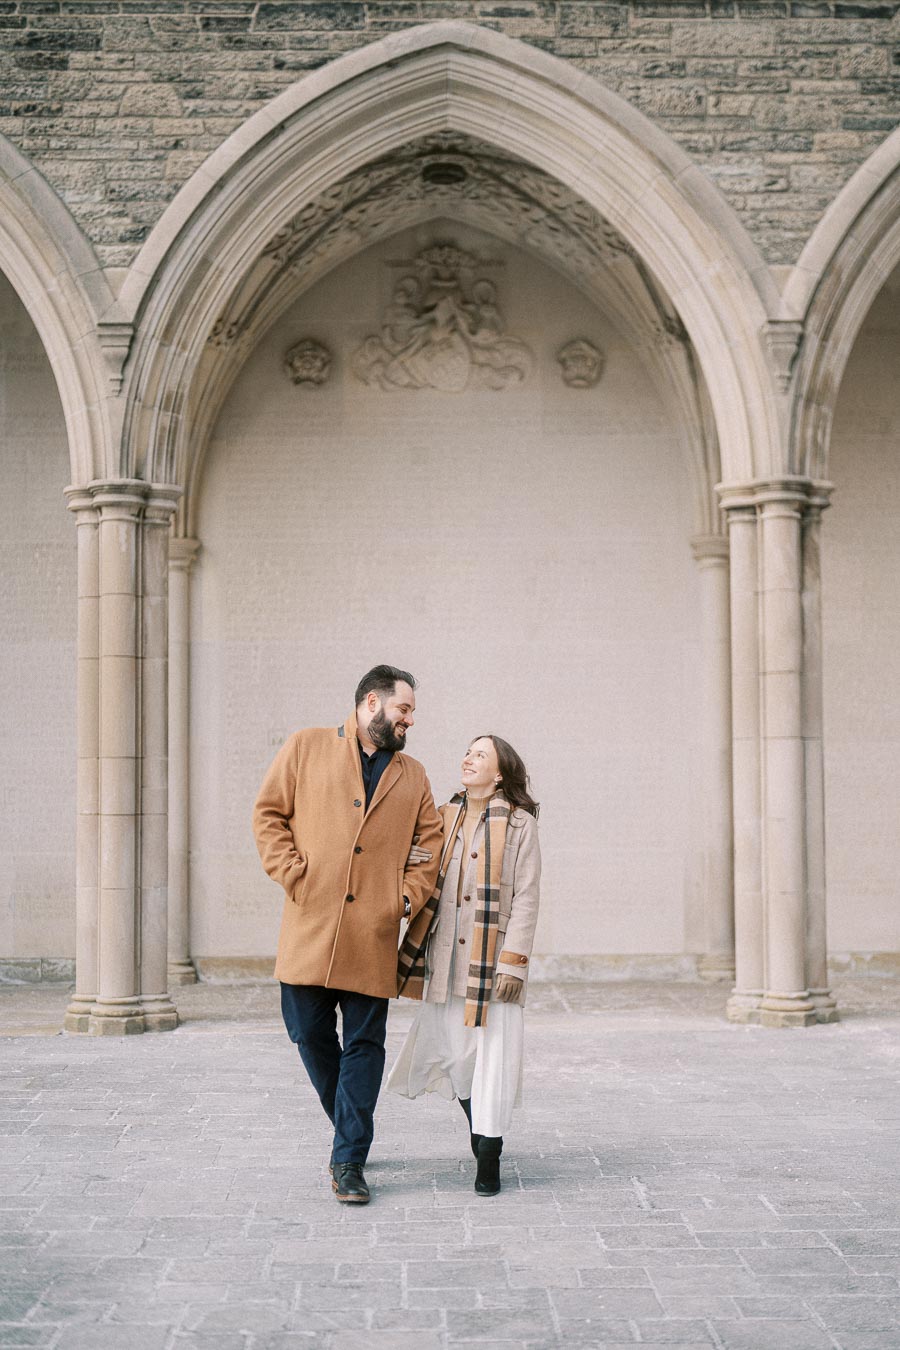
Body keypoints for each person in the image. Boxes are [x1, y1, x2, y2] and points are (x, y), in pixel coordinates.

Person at [252, 665, 442, 1204]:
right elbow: (268, 815)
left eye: (411, 713)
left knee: (365, 1044)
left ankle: (349, 1158)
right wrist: (294, 872)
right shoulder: (306, 746)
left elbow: (428, 847)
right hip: (310, 924)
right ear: (371, 703)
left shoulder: (414, 774)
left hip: (373, 932)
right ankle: (349, 1127)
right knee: (307, 1033)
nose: (409, 721)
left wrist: (404, 898)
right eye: (403, 709)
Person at [389, 735, 540, 1196]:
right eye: (467, 752)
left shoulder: (519, 825)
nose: (468, 758)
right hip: (446, 958)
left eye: (480, 754)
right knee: (456, 1059)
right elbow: (417, 862)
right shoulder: (442, 817)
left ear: (499, 773)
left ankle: (488, 1155)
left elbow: (527, 896)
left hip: (491, 963)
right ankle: (480, 1133)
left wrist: (513, 964)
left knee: (492, 1059)